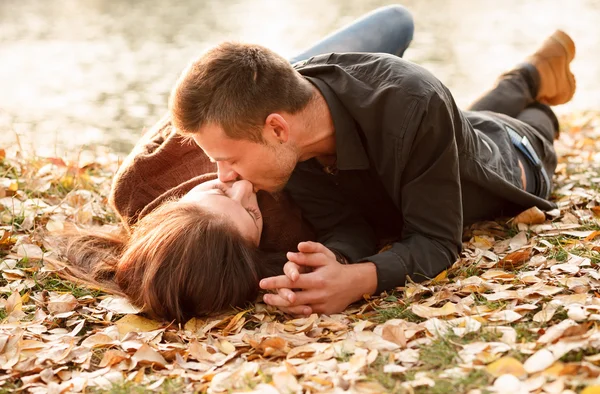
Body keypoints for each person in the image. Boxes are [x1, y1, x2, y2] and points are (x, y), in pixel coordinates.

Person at [169, 28, 576, 316]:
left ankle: (532, 91)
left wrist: (359, 280)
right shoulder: (287, 140)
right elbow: (348, 224)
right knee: (464, 119)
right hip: (446, 133)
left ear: (277, 128)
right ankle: (527, 76)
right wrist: (333, 258)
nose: (224, 176)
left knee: (531, 126)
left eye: (231, 159)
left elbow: (436, 240)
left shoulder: (411, 102)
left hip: (511, 158)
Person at [58, 5, 416, 322]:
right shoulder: (282, 238)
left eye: (219, 189)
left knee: (397, 21)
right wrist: (335, 259)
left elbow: (191, 107)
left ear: (174, 204)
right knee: (444, 123)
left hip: (265, 100)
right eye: (251, 213)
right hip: (311, 147)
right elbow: (349, 226)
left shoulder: (141, 181)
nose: (242, 186)